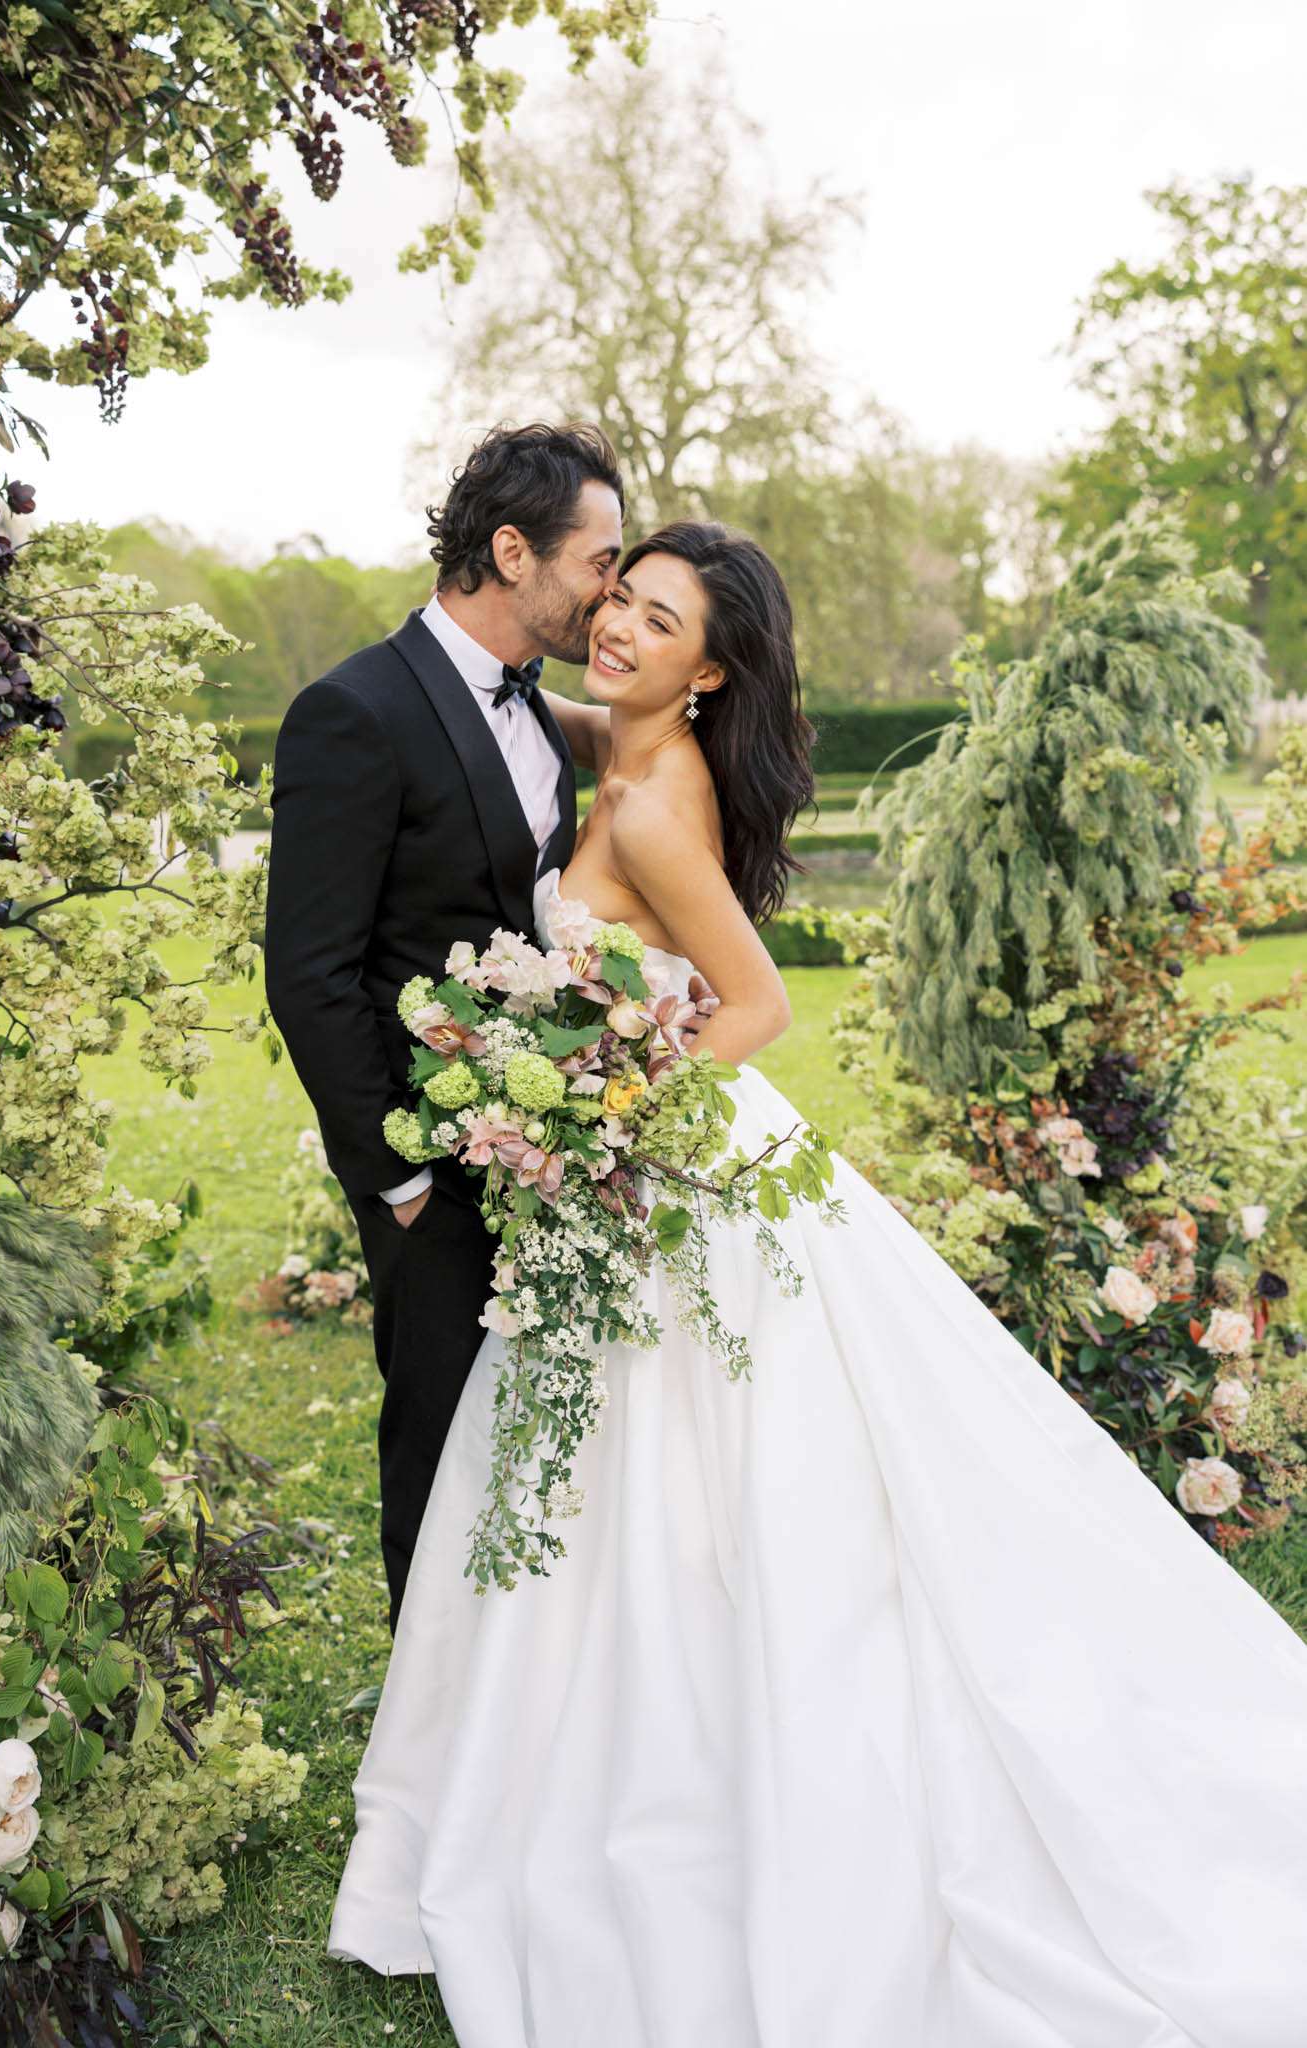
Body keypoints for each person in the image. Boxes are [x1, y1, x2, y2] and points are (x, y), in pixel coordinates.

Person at [325, 520, 1307, 2046]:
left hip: (676, 1163)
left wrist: (594, 1113)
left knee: (712, 1485)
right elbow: (514, 693)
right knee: (629, 1488)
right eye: (621, 600)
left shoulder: (653, 807)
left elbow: (761, 1004)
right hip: (640, 1166)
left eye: (661, 623)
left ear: (711, 669)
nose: (623, 632)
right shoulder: (619, 739)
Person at [263, 421, 624, 1634]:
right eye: (600, 561)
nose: (611, 591)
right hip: (432, 1176)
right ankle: (426, 1754)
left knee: (533, 1452)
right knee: (436, 1452)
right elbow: (311, 973)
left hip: (543, 1158)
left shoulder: (537, 707)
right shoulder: (352, 711)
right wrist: (401, 1178)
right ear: (511, 550)